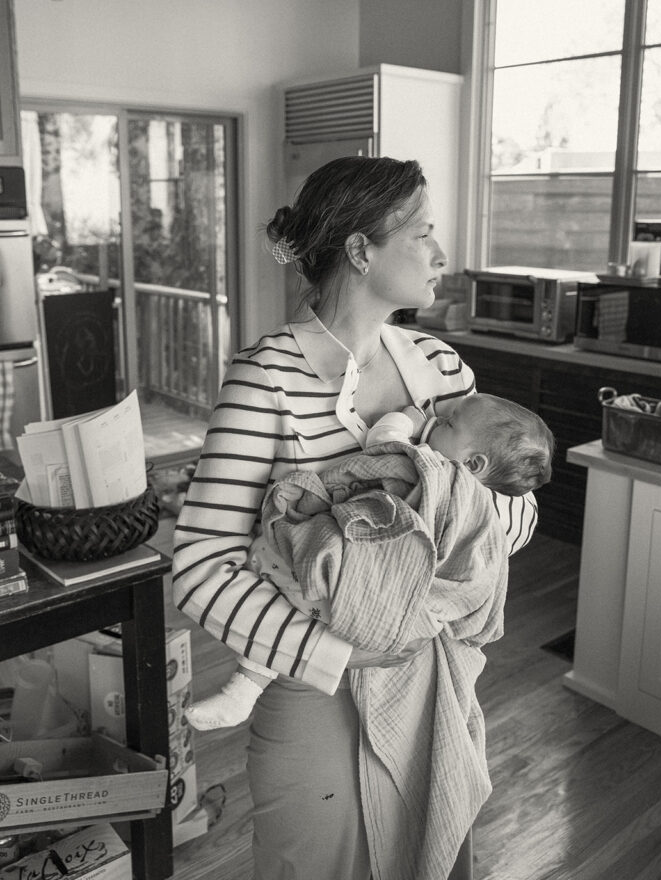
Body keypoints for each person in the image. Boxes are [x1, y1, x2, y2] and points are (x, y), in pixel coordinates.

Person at [172, 155, 539, 880]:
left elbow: (517, 513)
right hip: (319, 695)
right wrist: (338, 654)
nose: (440, 255)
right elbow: (200, 569)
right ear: (360, 249)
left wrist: (447, 523)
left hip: (433, 679)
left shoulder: (440, 367)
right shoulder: (266, 378)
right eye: (422, 234)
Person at [185, 392, 553, 731]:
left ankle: (243, 690)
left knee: (274, 556)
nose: (437, 419)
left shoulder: (431, 469)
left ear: (473, 461)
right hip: (392, 613)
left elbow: (383, 442)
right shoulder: (483, 510)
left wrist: (407, 418)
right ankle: (243, 691)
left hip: (347, 582)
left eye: (449, 424)